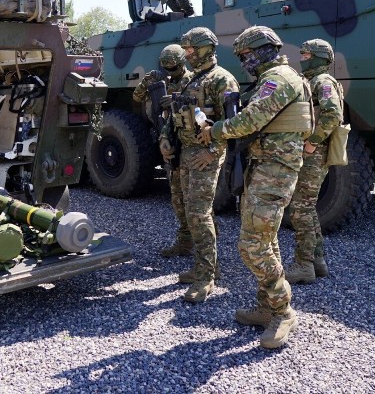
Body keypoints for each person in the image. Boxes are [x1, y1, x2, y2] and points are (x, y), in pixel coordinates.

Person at [196, 26, 312, 349]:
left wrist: (215, 130)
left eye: (246, 56)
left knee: (251, 245)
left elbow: (249, 121)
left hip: (276, 171)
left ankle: (283, 309)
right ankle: (266, 306)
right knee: (266, 238)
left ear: (261, 51)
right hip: (266, 168)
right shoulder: (275, 79)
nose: (244, 62)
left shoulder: (279, 79)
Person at [161, 27, 238, 303]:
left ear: (207, 48)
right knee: (190, 210)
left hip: (205, 155)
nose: (188, 54)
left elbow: (231, 123)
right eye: (186, 50)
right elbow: (174, 114)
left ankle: (206, 276)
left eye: (192, 49)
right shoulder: (189, 80)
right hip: (185, 153)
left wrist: (214, 151)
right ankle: (203, 265)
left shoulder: (223, 81)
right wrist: (165, 138)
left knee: (199, 213)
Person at [284, 39, 344, 284]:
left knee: (300, 210)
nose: (302, 58)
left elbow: (332, 114)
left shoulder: (323, 81)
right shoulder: (312, 81)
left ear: (320, 58)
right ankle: (317, 261)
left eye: (307, 54)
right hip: (310, 154)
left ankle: (303, 265)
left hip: (312, 155)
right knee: (306, 209)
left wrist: (312, 143)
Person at [133, 44, 194, 258]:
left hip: (189, 146)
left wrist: (177, 98)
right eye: (167, 68)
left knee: (195, 201)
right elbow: (137, 97)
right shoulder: (161, 81)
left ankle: (205, 250)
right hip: (168, 143)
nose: (171, 72)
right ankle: (185, 242)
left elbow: (203, 108)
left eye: (174, 68)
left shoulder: (192, 80)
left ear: (183, 63)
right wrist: (147, 82)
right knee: (177, 199)